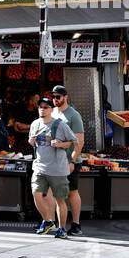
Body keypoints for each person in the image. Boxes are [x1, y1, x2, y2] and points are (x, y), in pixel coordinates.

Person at [28, 97, 76, 239]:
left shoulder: (59, 125)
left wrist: (60, 144)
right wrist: (31, 141)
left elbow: (73, 141)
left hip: (57, 169)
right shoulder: (35, 124)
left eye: (46, 107)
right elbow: (32, 141)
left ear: (51, 109)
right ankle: (48, 221)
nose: (42, 109)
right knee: (36, 194)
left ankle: (62, 228)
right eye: (40, 107)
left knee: (60, 200)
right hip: (39, 167)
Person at [51, 85, 85, 235]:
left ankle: (76, 224)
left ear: (66, 97)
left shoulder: (73, 115)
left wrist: (72, 160)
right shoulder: (51, 113)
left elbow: (80, 140)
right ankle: (53, 223)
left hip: (69, 161)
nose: (55, 99)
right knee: (53, 192)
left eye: (58, 97)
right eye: (54, 97)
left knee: (72, 192)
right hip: (54, 161)